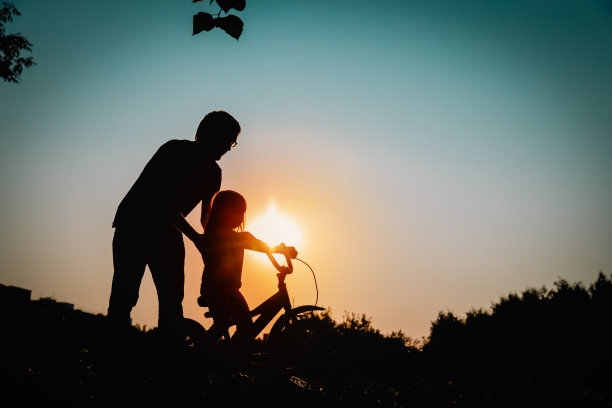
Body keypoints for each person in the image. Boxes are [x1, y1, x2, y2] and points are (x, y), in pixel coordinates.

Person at [107, 111, 241, 343]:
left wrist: (226, 238)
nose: (229, 148)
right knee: (124, 296)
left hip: (168, 232)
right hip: (134, 225)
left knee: (171, 301)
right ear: (212, 134)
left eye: (233, 143)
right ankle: (111, 356)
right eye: (228, 140)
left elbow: (205, 221)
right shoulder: (174, 151)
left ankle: (167, 361)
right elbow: (163, 203)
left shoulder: (213, 173)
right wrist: (198, 240)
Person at [197, 190, 297, 347]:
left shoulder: (234, 236)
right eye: (234, 210)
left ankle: (235, 358)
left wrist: (276, 250)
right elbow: (251, 242)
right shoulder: (220, 235)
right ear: (219, 210)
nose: (239, 216)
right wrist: (279, 249)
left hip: (231, 291)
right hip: (218, 291)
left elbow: (253, 242)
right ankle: (199, 353)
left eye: (241, 212)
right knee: (223, 324)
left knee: (247, 329)